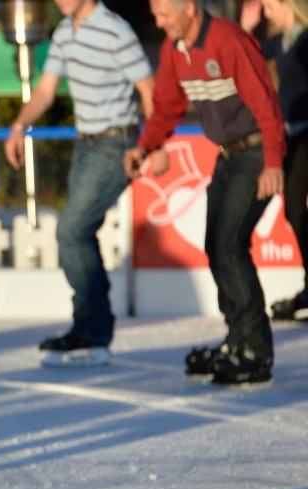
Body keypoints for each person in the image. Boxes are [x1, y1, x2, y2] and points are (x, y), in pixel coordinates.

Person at [125, 0, 286, 385]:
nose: (159, 22)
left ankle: (256, 351)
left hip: (257, 152)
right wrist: (145, 146)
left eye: (164, 14)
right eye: (156, 15)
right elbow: (166, 107)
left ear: (190, 8)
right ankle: (235, 341)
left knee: (230, 243)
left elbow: (266, 102)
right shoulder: (174, 50)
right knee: (215, 246)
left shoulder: (229, 40)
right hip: (227, 156)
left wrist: (274, 162)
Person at [5, 0, 155, 367]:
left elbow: (149, 90)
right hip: (86, 144)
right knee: (80, 233)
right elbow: (45, 91)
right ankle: (90, 327)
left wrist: (155, 144)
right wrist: (17, 126)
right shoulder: (64, 32)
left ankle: (93, 333)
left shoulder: (115, 30)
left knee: (71, 231)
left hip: (117, 143)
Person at [241, 0, 308, 321]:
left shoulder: (306, 39)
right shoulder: (282, 42)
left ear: (287, 5)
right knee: (294, 212)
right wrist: (247, 27)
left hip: (307, 132)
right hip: (291, 134)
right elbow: (247, 55)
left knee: (297, 209)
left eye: (268, 7)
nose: (266, 14)